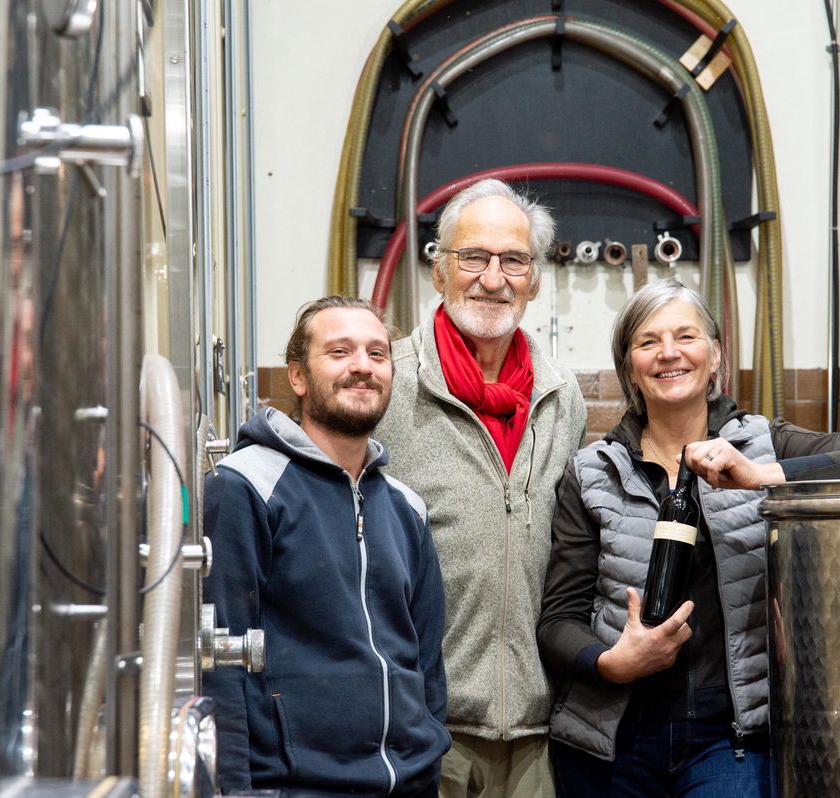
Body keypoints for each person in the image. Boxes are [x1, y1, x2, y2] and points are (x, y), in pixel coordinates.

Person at [537, 278, 840, 797]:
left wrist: (762, 476)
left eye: (685, 336)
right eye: (648, 341)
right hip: (611, 743)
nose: (669, 353)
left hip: (729, 742)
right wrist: (612, 664)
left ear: (715, 355)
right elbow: (558, 619)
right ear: (630, 368)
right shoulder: (593, 471)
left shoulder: (763, 444)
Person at [375, 178, 587, 797]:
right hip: (418, 727)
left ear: (534, 281)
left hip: (535, 737)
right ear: (438, 271)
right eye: (473, 257)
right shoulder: (390, 386)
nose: (493, 279)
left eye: (513, 260)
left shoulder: (561, 397)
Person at [203, 295, 451, 796]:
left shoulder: (407, 508)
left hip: (406, 784)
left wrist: (425, 768)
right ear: (298, 376)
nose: (362, 366)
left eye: (377, 354)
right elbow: (221, 661)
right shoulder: (245, 487)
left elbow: (426, 667)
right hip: (294, 786)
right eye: (339, 351)